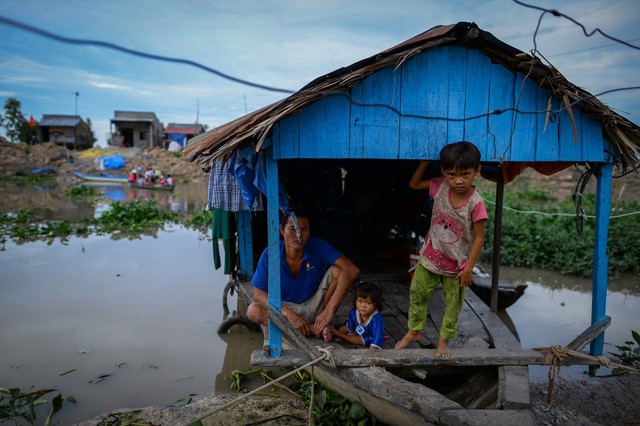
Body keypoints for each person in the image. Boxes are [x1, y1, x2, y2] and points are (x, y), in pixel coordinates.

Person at [395, 141, 487, 357]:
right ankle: (414, 330)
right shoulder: (440, 186)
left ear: (477, 171)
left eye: (465, 174)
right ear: (444, 173)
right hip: (430, 256)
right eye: (451, 174)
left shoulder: (476, 204)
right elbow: (414, 184)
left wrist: (468, 269)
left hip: (457, 267)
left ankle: (443, 342)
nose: (458, 181)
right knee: (417, 293)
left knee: (452, 306)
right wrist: (423, 163)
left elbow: (479, 239)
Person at [247, 209, 360, 338]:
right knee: (253, 311)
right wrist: (288, 314)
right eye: (293, 229)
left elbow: (352, 270)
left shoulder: (318, 246)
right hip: (285, 308)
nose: (299, 235)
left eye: (304, 229)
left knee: (339, 270)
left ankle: (320, 322)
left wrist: (329, 311)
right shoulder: (270, 253)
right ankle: (312, 329)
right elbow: (258, 295)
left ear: (309, 231)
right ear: (282, 230)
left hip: (315, 306)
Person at [324, 281, 385, 349]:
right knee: (342, 329)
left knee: (364, 340)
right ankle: (332, 332)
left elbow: (377, 336)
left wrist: (372, 349)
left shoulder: (377, 319)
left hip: (369, 336)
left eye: (368, 303)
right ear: (355, 301)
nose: (363, 306)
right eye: (360, 301)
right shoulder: (354, 312)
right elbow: (350, 327)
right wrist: (346, 330)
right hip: (357, 331)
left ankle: (340, 335)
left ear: (376, 305)